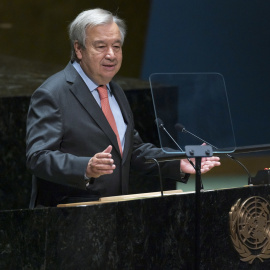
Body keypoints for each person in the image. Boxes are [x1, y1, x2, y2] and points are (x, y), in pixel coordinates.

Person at [26, 8, 220, 208]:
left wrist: (178, 161)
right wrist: (86, 167)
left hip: (114, 214)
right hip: (67, 219)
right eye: (101, 46)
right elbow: (38, 157)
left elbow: (132, 150)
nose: (111, 55)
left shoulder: (115, 90)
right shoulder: (52, 94)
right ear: (79, 49)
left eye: (117, 46)